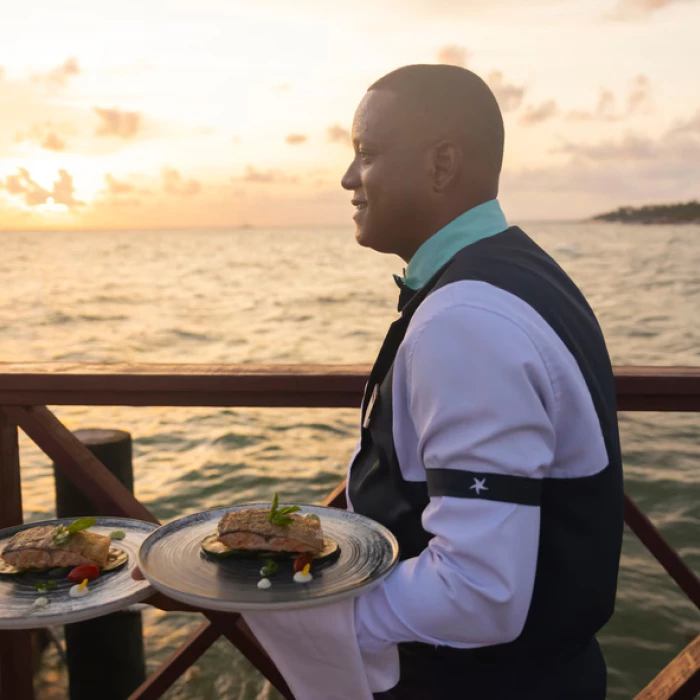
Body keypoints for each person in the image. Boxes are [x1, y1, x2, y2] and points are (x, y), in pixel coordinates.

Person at [339, 64, 624, 699]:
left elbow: (478, 594)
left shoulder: (464, 320)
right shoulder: (525, 272)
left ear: (441, 166)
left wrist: (315, 606)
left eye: (367, 154)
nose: (349, 178)